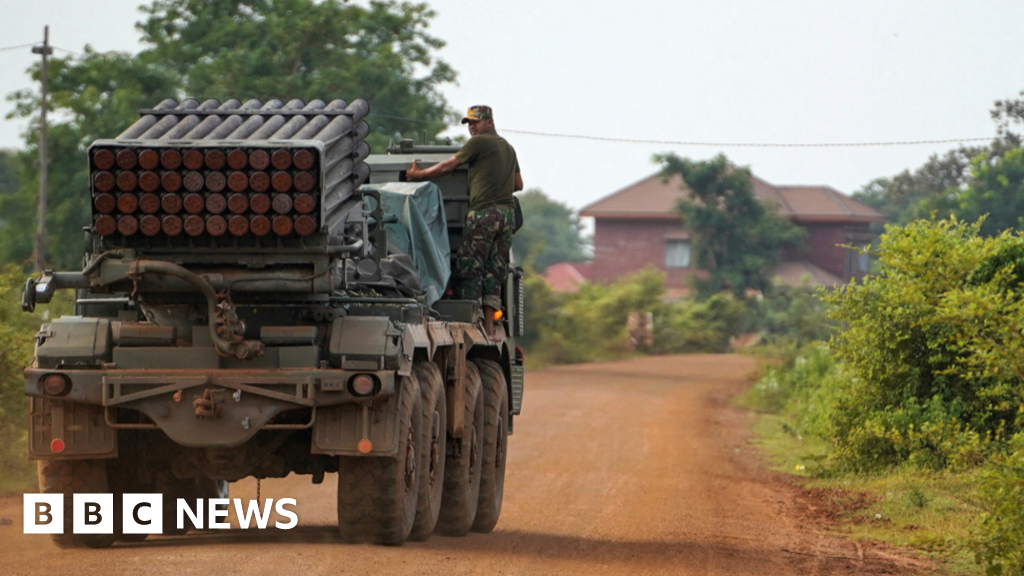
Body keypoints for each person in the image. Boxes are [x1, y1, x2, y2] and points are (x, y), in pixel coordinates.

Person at [405, 105, 523, 339]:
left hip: (483, 213)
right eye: (469, 123)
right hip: (506, 216)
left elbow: (449, 166)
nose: (471, 127)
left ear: (490, 122)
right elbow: (518, 185)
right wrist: (494, 181)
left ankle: (472, 325)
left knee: (469, 268)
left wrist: (419, 175)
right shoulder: (508, 148)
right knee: (494, 271)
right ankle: (488, 327)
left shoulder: (479, 142)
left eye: (476, 122)